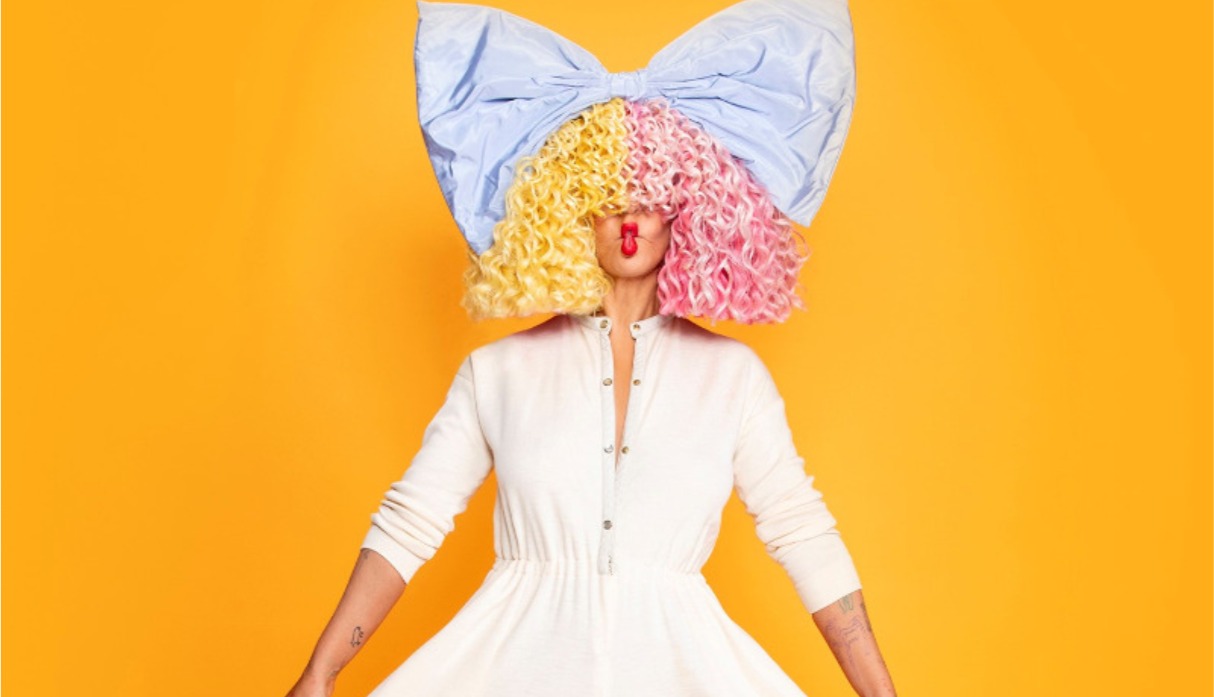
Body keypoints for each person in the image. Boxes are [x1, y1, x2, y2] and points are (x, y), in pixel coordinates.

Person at [286, 1, 897, 695]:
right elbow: (410, 521)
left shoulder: (734, 379)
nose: (630, 218)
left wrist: (881, 692)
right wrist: (320, 671)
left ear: (688, 211)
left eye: (651, 196)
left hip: (681, 667)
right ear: (569, 210)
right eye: (607, 197)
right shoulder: (498, 372)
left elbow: (801, 530)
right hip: (510, 666)